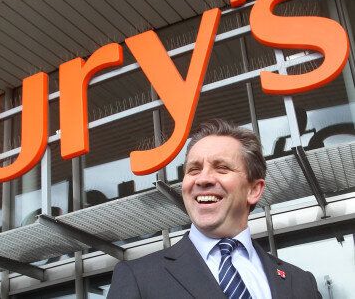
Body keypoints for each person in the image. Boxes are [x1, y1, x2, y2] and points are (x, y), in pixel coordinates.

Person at [107, 119, 321, 298]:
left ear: (254, 190)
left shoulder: (301, 283)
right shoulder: (138, 276)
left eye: (222, 168)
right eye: (193, 169)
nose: (203, 179)